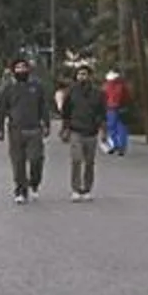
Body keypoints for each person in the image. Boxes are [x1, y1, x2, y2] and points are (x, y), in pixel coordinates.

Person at [0, 57, 52, 204]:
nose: (21, 70)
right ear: (14, 70)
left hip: (34, 129)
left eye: (23, 67)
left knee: (36, 159)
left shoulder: (36, 86)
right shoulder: (8, 88)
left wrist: (46, 124)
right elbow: (1, 109)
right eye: (18, 68)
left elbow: (44, 107)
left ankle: (34, 183)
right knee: (18, 162)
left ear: (28, 69)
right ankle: (20, 189)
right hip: (15, 130)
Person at [60, 65, 105, 201]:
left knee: (90, 162)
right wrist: (65, 129)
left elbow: (102, 113)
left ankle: (87, 189)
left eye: (85, 74)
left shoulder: (98, 93)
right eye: (79, 74)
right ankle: (75, 189)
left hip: (91, 131)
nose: (82, 77)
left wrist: (103, 130)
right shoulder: (71, 92)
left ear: (90, 76)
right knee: (76, 159)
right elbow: (65, 112)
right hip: (76, 130)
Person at [103, 69, 131, 156]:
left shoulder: (107, 86)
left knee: (113, 128)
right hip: (119, 108)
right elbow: (128, 97)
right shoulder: (122, 85)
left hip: (111, 108)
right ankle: (120, 146)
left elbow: (104, 97)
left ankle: (115, 145)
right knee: (120, 127)